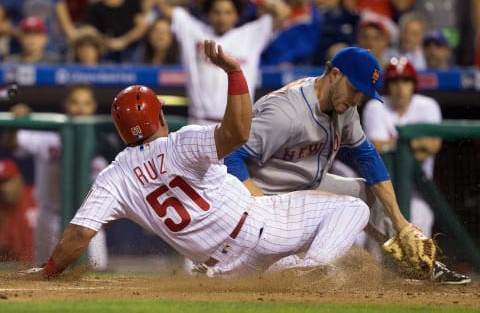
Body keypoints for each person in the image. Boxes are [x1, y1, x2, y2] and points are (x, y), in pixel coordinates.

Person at [21, 40, 370, 280]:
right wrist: (235, 73)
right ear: (159, 116)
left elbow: (79, 234)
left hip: (227, 267)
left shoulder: (115, 176)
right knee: (354, 209)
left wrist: (50, 270)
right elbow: (237, 133)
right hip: (260, 227)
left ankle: (298, 270)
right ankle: (311, 269)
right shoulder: (181, 142)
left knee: (285, 267)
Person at [223, 46, 471, 284]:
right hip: (262, 195)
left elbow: (367, 156)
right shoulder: (286, 114)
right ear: (334, 74)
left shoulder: (343, 105)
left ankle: (420, 265)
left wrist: (400, 222)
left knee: (365, 195)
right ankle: (302, 269)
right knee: (254, 268)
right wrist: (261, 208)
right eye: (354, 89)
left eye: (362, 94)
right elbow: (230, 155)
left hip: (306, 184)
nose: (357, 99)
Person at [157, 0, 290, 124]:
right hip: (200, 123)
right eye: (216, 12)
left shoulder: (250, 34)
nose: (222, 18)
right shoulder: (193, 31)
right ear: (208, 13)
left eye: (228, 12)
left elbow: (283, 12)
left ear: (237, 15)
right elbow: (163, 3)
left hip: (238, 125)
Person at [11, 84, 109, 271]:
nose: (80, 108)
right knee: (44, 272)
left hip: (89, 219)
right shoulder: (49, 135)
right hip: (50, 216)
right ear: (65, 104)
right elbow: (13, 142)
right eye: (75, 102)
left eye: (86, 103)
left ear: (94, 106)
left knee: (96, 272)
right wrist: (16, 123)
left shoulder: (104, 139)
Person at [362, 57, 441, 241]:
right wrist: (411, 144)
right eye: (395, 81)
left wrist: (393, 145)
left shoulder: (427, 106)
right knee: (379, 245)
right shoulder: (376, 106)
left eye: (405, 80)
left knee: (418, 237)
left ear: (413, 84)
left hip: (418, 192)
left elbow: (432, 146)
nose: (400, 87)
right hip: (382, 192)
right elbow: (377, 150)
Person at [0, 158, 37, 264]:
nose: (3, 188)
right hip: (20, 272)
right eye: (0, 183)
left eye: (7, 181)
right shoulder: (2, 209)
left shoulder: (37, 197)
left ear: (19, 179)